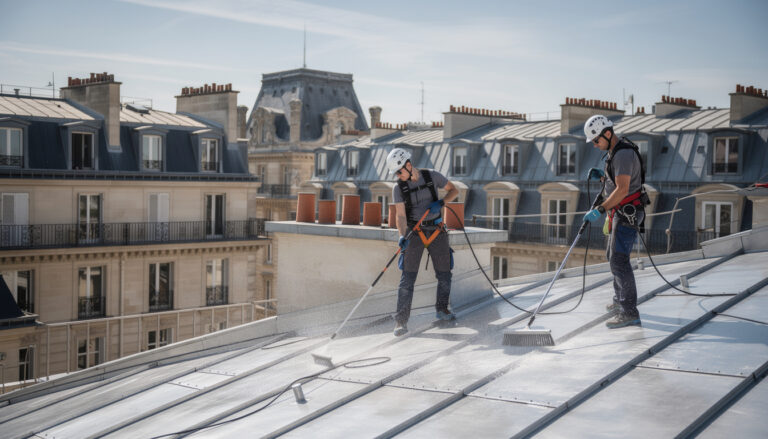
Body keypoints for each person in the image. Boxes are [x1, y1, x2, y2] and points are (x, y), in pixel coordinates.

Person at [583, 115, 648, 329]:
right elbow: (617, 181)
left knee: (619, 260)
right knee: (613, 257)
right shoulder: (615, 152)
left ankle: (629, 312)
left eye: (596, 140)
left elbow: (622, 189)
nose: (594, 145)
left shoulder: (623, 154)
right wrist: (603, 177)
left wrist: (600, 209)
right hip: (619, 212)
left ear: (608, 133)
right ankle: (620, 300)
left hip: (627, 212)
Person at [386, 148, 459, 336]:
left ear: (408, 165)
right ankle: (401, 322)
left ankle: (442, 310)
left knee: (444, 274)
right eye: (396, 173)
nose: (398, 176)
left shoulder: (432, 176)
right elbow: (400, 216)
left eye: (399, 172)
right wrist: (402, 236)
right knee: (407, 278)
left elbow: (454, 190)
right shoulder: (398, 188)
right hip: (414, 232)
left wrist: (441, 203)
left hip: (436, 230)